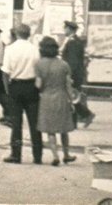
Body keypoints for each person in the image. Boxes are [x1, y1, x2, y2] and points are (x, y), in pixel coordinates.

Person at [2, 23, 44, 164]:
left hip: (16, 86)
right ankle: (37, 155)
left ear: (17, 34)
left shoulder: (10, 49)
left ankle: (16, 154)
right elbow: (40, 70)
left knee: (16, 123)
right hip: (31, 87)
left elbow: (5, 71)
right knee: (34, 123)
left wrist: (7, 89)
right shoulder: (35, 49)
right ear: (29, 34)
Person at [35, 36, 77, 166]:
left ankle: (55, 156)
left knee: (50, 130)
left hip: (46, 99)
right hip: (62, 98)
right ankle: (66, 154)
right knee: (63, 129)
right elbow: (68, 85)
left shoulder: (39, 64)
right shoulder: (64, 64)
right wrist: (72, 101)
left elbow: (38, 85)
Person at [59, 20, 94, 127]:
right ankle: (82, 117)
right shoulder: (74, 41)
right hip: (76, 74)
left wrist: (69, 75)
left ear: (70, 29)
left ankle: (83, 116)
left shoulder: (72, 42)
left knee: (72, 96)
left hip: (73, 74)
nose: (64, 30)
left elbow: (72, 62)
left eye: (65, 28)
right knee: (72, 96)